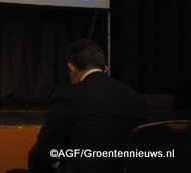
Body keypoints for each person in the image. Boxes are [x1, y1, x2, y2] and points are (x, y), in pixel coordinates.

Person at [28, 39, 147, 173]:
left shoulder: (68, 97)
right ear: (105, 69)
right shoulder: (138, 100)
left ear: (72, 69)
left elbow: (39, 158)